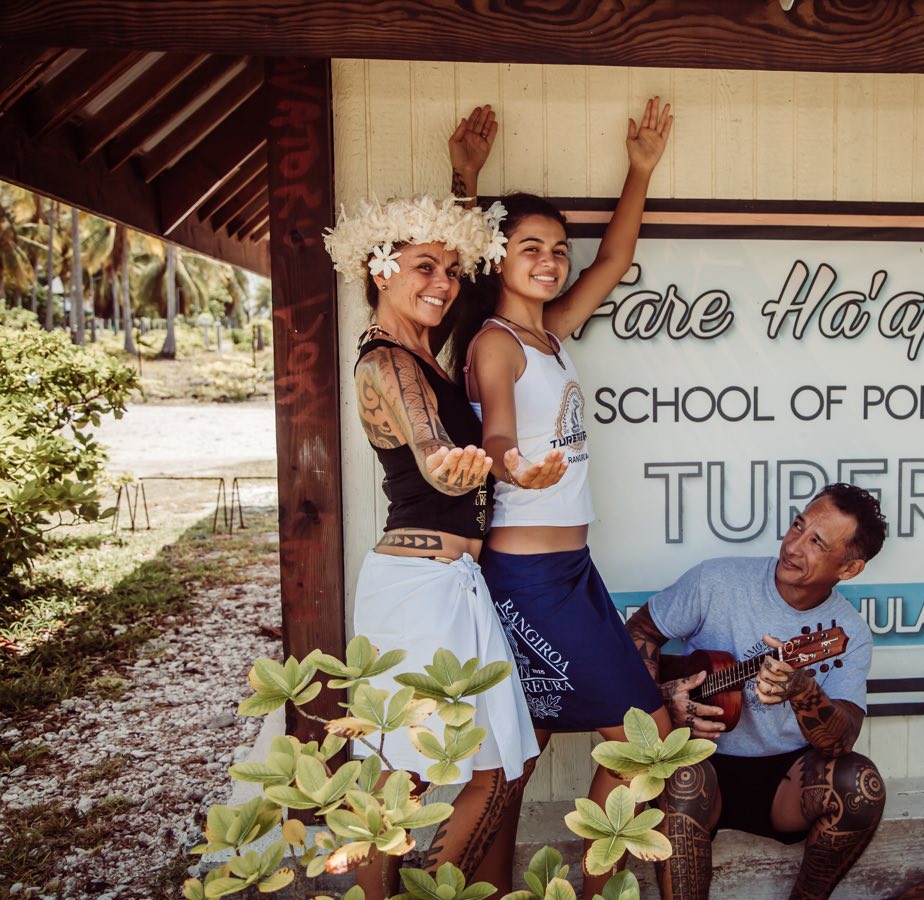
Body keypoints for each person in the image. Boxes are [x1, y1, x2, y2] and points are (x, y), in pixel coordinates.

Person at [450, 96, 675, 895]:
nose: (550, 260)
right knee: (644, 734)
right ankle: (576, 892)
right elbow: (499, 437)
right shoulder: (495, 345)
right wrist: (515, 468)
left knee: (524, 744)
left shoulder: (548, 333)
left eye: (557, 249)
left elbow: (611, 262)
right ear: (497, 257)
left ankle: (497, 887)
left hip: (572, 571)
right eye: (530, 247)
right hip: (531, 581)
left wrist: (639, 171)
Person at [322, 189, 567, 898]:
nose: (442, 283)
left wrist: (465, 176)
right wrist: (448, 465)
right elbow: (428, 441)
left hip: (445, 584)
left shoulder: (422, 349)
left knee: (449, 770)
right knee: (427, 771)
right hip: (421, 588)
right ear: (379, 270)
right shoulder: (388, 363)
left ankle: (418, 889)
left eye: (452, 270)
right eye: (424, 266)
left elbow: (444, 416)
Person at [626, 483, 889, 900]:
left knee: (861, 785)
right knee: (683, 776)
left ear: (849, 568)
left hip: (784, 781)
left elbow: (842, 738)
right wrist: (660, 701)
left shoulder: (846, 633)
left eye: (817, 542)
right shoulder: (717, 580)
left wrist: (803, 691)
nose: (793, 546)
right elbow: (639, 631)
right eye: (797, 526)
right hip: (702, 764)